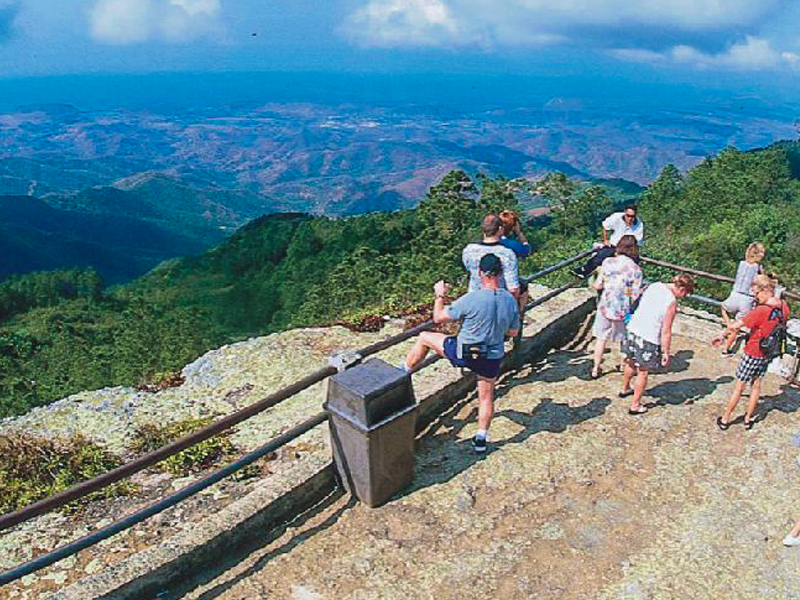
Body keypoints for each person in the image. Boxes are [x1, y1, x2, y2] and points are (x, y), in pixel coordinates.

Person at [401, 254, 520, 454]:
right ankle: (481, 438)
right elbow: (513, 332)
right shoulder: (509, 299)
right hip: (490, 356)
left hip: (464, 353)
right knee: (486, 397)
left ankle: (403, 372)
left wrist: (440, 295)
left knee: (424, 337)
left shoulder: (471, 299)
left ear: (480, 273)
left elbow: (439, 318)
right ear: (500, 273)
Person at [716, 274, 789, 430]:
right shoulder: (784, 306)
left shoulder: (761, 310)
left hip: (753, 351)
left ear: (765, 290)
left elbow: (737, 325)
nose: (755, 298)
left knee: (740, 386)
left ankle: (725, 418)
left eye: (756, 293)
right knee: (756, 385)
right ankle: (748, 419)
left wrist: (722, 336)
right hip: (768, 353)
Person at [620, 274, 695, 414]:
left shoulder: (654, 285)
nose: (683, 297)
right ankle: (635, 405)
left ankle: (625, 388)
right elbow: (666, 331)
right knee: (642, 372)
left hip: (632, 329)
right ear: (682, 289)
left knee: (630, 361)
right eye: (685, 294)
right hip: (648, 337)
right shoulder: (671, 302)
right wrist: (665, 352)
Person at [590, 235, 643, 379]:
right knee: (625, 338)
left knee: (601, 338)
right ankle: (622, 364)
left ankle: (595, 368)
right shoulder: (636, 269)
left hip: (605, 305)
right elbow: (635, 294)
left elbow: (597, 285)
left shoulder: (608, 262)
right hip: (623, 309)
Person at [719, 242, 765, 355]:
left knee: (723, 307)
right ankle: (725, 348)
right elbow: (762, 279)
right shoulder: (757, 268)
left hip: (734, 294)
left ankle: (726, 330)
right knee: (737, 326)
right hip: (747, 299)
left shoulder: (741, 263)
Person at [574, 205, 644, 278]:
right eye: (628, 216)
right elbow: (605, 226)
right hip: (614, 245)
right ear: (624, 213)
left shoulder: (639, 224)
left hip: (628, 249)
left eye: (632, 216)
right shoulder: (616, 217)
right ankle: (584, 271)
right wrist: (605, 240)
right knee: (600, 257)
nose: (630, 218)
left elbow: (638, 241)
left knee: (633, 266)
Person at [462, 214, 521, 299]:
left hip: (474, 299)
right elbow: (513, 288)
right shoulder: (507, 254)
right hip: (497, 300)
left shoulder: (468, 250)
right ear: (500, 229)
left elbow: (469, 269)